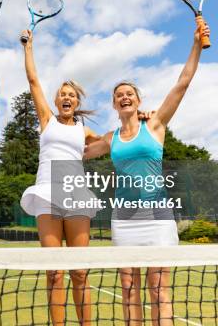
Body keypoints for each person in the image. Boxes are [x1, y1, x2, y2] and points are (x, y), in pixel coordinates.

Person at [84, 17, 210, 326]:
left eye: (129, 93)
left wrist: (196, 45)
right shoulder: (110, 139)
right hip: (124, 221)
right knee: (128, 291)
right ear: (114, 105)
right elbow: (82, 151)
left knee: (159, 291)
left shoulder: (154, 124)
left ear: (138, 100)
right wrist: (58, 124)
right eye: (119, 95)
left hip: (157, 220)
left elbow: (182, 83)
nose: (124, 97)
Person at [18, 29, 101, 326]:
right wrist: (29, 48)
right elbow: (33, 81)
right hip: (46, 194)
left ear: (77, 102)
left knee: (79, 272)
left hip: (77, 195)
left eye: (71, 95)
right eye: (62, 94)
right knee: (54, 272)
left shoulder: (84, 132)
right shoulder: (47, 119)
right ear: (56, 100)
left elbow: (113, 143)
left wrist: (139, 123)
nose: (66, 98)